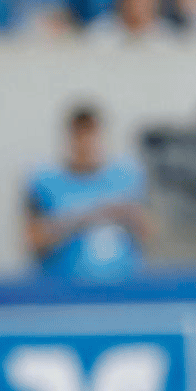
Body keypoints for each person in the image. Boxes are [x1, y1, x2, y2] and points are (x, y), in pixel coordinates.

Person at [25, 106, 151, 281]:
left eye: (91, 134)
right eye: (80, 135)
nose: (86, 142)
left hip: (122, 286)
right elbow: (33, 239)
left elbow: (150, 232)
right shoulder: (44, 182)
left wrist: (128, 215)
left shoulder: (128, 177)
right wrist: (84, 218)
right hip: (63, 286)